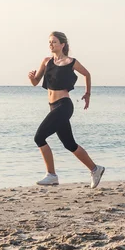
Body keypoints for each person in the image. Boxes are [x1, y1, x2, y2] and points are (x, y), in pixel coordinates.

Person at [28, 31, 105, 188]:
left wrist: (88, 94)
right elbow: (36, 82)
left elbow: (87, 74)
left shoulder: (71, 62)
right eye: (50, 42)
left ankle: (51, 175)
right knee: (70, 144)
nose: (51, 44)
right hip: (52, 107)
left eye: (54, 42)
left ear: (62, 45)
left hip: (64, 105)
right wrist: (31, 77)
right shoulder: (46, 61)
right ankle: (95, 169)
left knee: (39, 137)